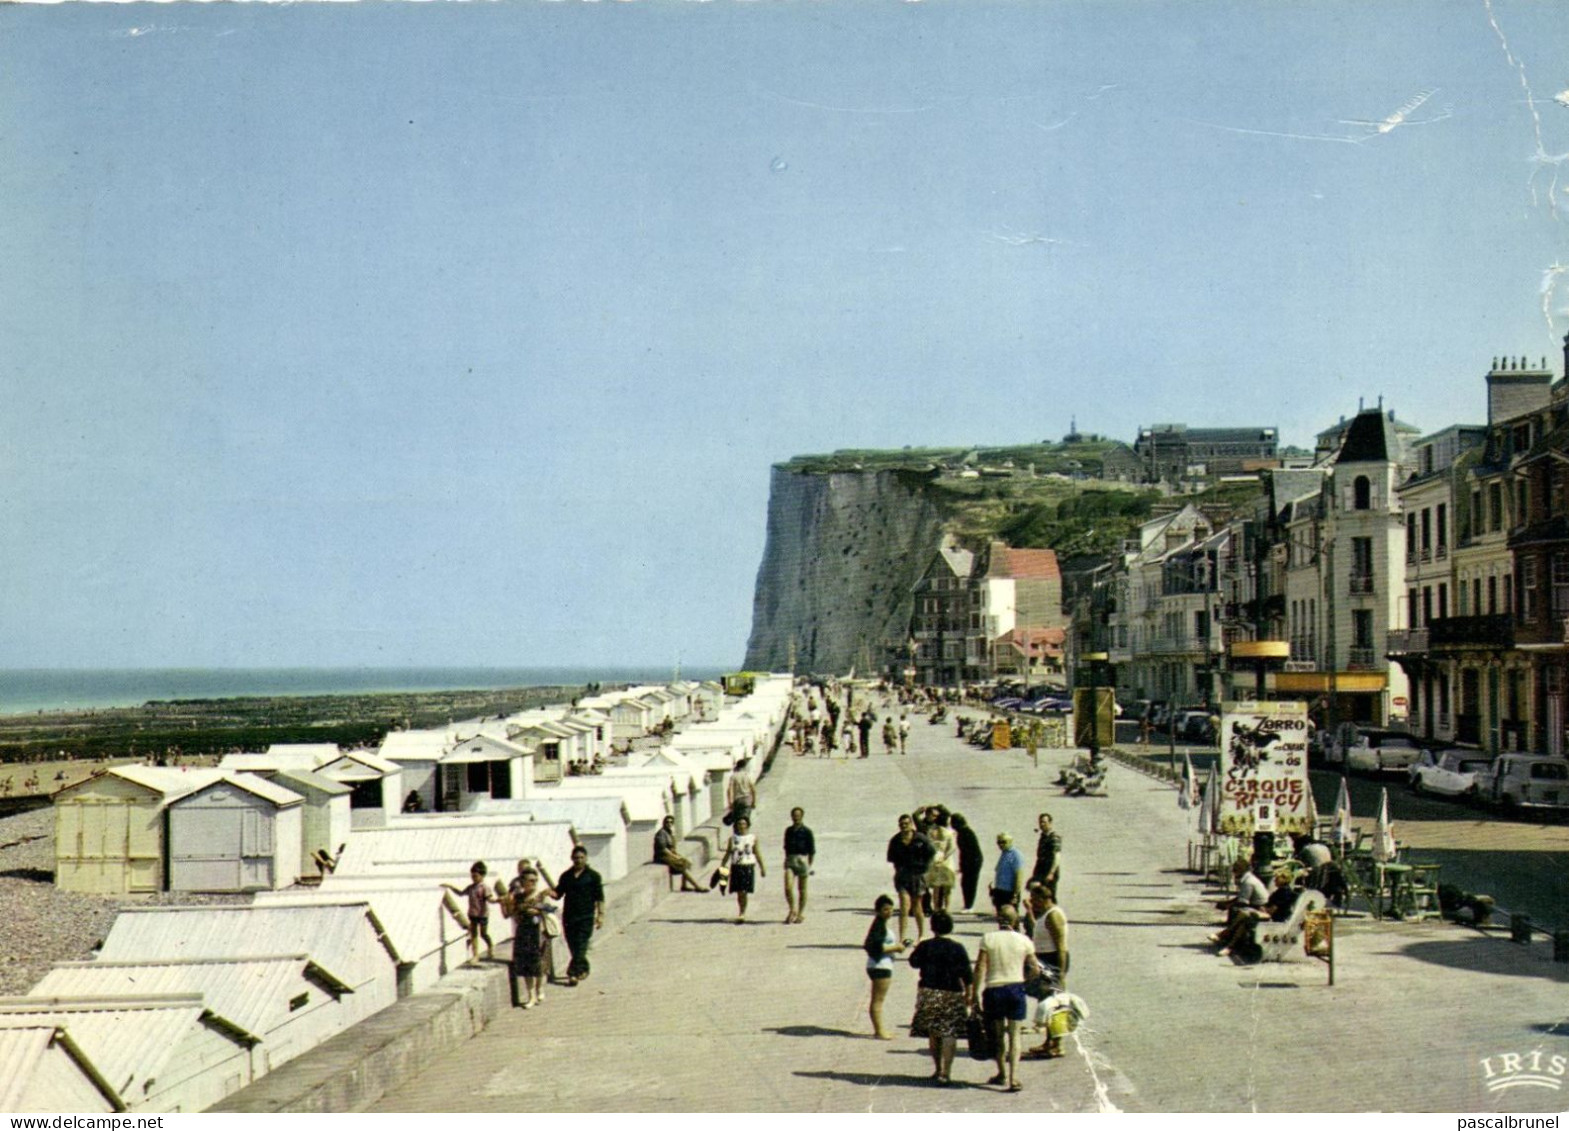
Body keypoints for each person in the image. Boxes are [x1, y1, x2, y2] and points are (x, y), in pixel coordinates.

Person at [973, 904, 1041, 1093]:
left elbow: (980, 967)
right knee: (1015, 1035)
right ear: (1015, 920)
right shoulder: (1024, 940)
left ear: (997, 919)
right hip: (1015, 988)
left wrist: (974, 994)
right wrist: (1023, 981)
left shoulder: (988, 939)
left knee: (997, 1036)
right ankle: (1014, 1077)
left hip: (994, 990)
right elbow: (1035, 968)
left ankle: (1001, 1073)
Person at [907, 910, 973, 1085]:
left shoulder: (926, 946)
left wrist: (918, 947)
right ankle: (947, 1072)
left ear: (932, 927)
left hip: (929, 992)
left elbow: (913, 962)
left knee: (934, 1032)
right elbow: (967, 973)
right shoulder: (957, 948)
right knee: (949, 1032)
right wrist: (970, 993)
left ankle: (937, 1069)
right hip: (952, 992)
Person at [1021, 884, 1070, 1059]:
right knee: (1047, 1002)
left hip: (1052, 961)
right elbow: (1037, 930)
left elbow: (1061, 946)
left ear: (1044, 898)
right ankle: (1050, 1041)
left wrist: (1061, 973)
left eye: (1034, 900)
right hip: (1044, 961)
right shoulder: (1045, 915)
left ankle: (1057, 1044)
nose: (1032, 903)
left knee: (1054, 1003)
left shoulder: (1054, 915)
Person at [550, 845, 605, 985]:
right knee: (574, 947)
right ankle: (584, 968)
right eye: (576, 858)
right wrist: (546, 892)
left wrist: (600, 915)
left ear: (586, 858)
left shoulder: (593, 876)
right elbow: (558, 894)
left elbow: (600, 897)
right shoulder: (566, 876)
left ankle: (572, 974)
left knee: (581, 945)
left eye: (581, 858)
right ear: (571, 859)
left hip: (586, 917)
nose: (578, 860)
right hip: (569, 917)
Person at [506, 860, 556, 1009]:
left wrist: (537, 909)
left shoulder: (541, 895)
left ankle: (539, 988)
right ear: (523, 882)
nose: (533, 883)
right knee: (527, 965)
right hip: (523, 932)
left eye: (535, 880)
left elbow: (550, 908)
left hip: (538, 932)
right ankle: (531, 996)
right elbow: (512, 913)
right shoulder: (518, 897)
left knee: (538, 964)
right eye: (530, 880)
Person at [887, 813, 935, 946]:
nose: (904, 826)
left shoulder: (920, 839)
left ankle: (922, 935)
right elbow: (891, 858)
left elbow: (931, 853)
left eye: (906, 824)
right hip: (902, 876)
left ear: (911, 824)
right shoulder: (895, 840)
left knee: (917, 906)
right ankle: (902, 937)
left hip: (917, 876)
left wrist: (925, 868)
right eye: (901, 824)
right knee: (904, 906)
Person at [863, 894, 905, 1039]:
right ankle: (879, 1031)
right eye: (886, 910)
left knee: (878, 1000)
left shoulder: (880, 924)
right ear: (878, 911)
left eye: (891, 909)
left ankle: (880, 1030)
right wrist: (896, 948)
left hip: (879, 965)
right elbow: (874, 946)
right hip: (880, 965)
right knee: (878, 1000)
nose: (889, 912)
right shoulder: (879, 926)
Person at [1209, 858, 1269, 957]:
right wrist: (1228, 903)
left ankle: (1226, 936)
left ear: (1240, 870)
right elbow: (1241, 897)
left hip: (1259, 908)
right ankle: (1226, 937)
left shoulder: (1248, 882)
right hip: (1255, 906)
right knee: (1237, 911)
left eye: (1235, 870)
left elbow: (1243, 902)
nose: (1233, 872)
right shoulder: (1248, 878)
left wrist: (1227, 905)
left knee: (1238, 912)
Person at [442, 862, 495, 963]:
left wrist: (497, 900)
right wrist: (451, 887)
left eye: (476, 876)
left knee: (483, 934)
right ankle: (475, 955)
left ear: (482, 875)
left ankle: (490, 947)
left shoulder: (484, 887)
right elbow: (461, 893)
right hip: (473, 914)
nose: (473, 878)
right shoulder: (471, 887)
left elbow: (490, 899)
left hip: (482, 915)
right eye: (472, 876)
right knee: (474, 934)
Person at [720, 815, 766, 922]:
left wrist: (762, 867)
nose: (741, 826)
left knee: (744, 891)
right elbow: (728, 853)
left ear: (747, 825)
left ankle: (743, 912)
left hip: (748, 866)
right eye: (739, 824)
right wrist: (722, 865)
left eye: (744, 824)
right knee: (739, 891)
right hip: (736, 866)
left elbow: (757, 853)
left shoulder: (752, 838)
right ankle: (741, 911)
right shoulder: (732, 839)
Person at [782, 806, 815, 924]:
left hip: (802, 859)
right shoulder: (788, 831)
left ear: (802, 816)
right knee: (788, 887)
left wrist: (809, 865)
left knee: (802, 889)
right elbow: (785, 846)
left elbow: (812, 850)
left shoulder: (807, 831)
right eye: (794, 815)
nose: (796, 818)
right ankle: (792, 909)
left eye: (798, 815)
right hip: (791, 859)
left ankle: (800, 913)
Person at [653, 815, 703, 892]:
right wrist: (674, 856)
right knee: (680, 866)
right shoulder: (661, 833)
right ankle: (697, 886)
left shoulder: (669, 832)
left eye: (671, 822)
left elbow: (672, 847)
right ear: (664, 823)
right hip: (662, 856)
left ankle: (684, 886)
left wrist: (677, 855)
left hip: (669, 855)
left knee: (685, 862)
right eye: (667, 822)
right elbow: (663, 849)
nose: (669, 824)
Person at [924, 807, 958, 913]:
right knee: (947, 888)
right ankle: (946, 909)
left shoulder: (930, 831)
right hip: (946, 860)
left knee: (936, 888)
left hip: (934, 859)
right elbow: (952, 847)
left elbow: (928, 846)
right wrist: (945, 856)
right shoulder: (948, 833)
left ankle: (936, 909)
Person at [951, 813, 984, 912]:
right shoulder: (965, 831)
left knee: (969, 883)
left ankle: (969, 906)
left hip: (973, 861)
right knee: (966, 883)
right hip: (972, 860)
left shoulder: (965, 833)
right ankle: (967, 905)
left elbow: (967, 852)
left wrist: (963, 866)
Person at [992, 832, 1025, 912]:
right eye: (999, 842)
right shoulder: (1004, 853)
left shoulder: (1016, 855)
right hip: (1000, 891)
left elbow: (1019, 875)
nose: (1001, 845)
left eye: (1003, 842)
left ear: (1010, 841)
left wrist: (1015, 894)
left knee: (1010, 916)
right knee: (1001, 917)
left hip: (1009, 892)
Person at [1031, 812, 1062, 889]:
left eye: (1044, 822)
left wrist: (1051, 873)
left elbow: (1057, 856)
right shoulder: (1043, 837)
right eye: (1040, 822)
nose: (1042, 824)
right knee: (1036, 895)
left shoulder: (1054, 837)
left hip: (1049, 871)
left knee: (1047, 897)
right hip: (1040, 871)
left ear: (1050, 823)